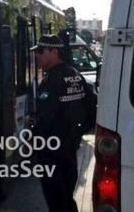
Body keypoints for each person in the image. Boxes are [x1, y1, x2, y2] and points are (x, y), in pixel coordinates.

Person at [30, 34, 89, 212]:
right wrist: (76, 134)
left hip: (51, 152)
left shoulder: (51, 81)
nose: (37, 56)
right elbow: (91, 108)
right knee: (66, 198)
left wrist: (34, 136)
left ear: (54, 52)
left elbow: (45, 118)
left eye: (40, 51)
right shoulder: (75, 75)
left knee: (56, 200)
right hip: (69, 149)